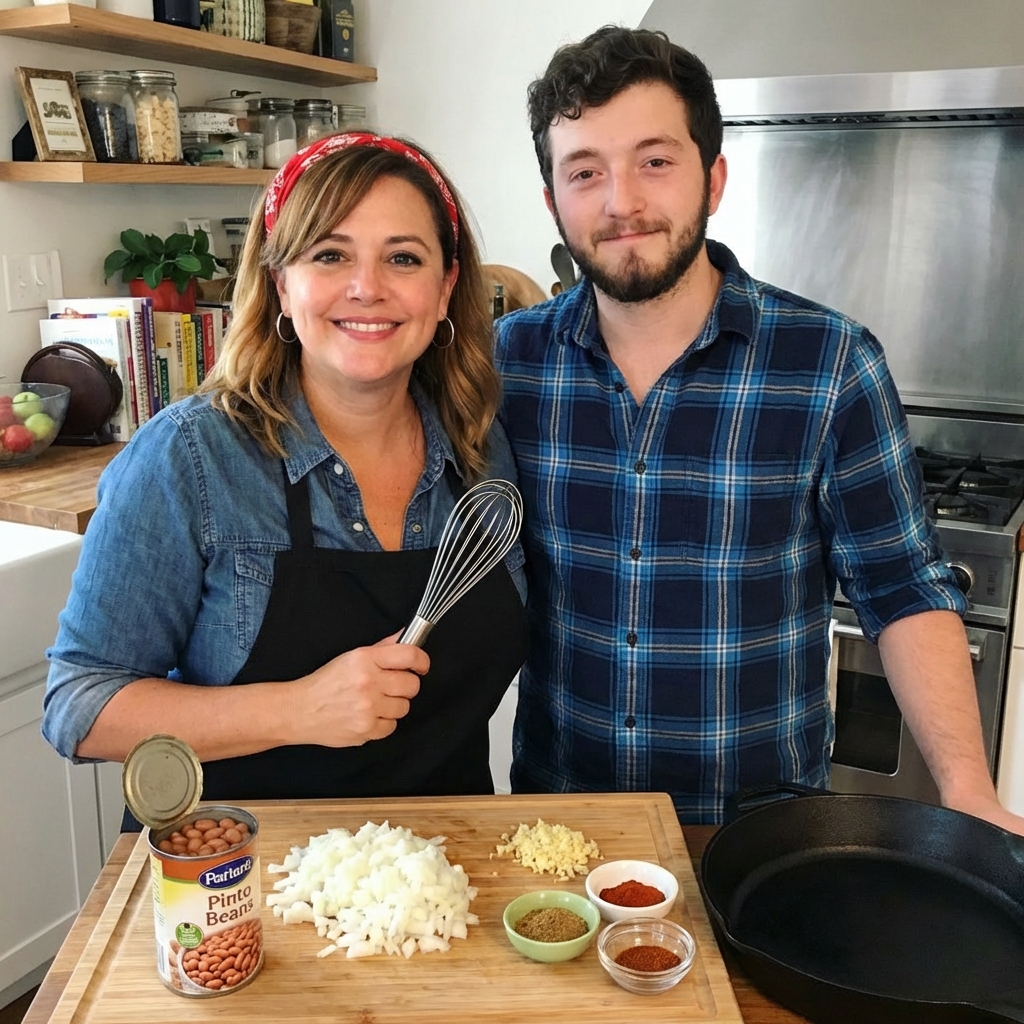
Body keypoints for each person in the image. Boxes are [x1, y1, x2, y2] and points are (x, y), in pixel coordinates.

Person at [494, 25, 1024, 833]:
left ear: (714, 177)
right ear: (553, 201)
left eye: (655, 161)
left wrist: (968, 791)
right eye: (585, 171)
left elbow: (904, 589)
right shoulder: (510, 364)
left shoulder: (830, 363)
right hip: (562, 832)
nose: (621, 202)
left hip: (758, 836)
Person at [43, 133, 528, 818]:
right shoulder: (191, 458)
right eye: (330, 254)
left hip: (446, 882)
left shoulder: (482, 449)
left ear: (446, 288)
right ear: (280, 283)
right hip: (234, 885)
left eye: (403, 257)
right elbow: (78, 707)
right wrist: (298, 709)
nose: (367, 287)